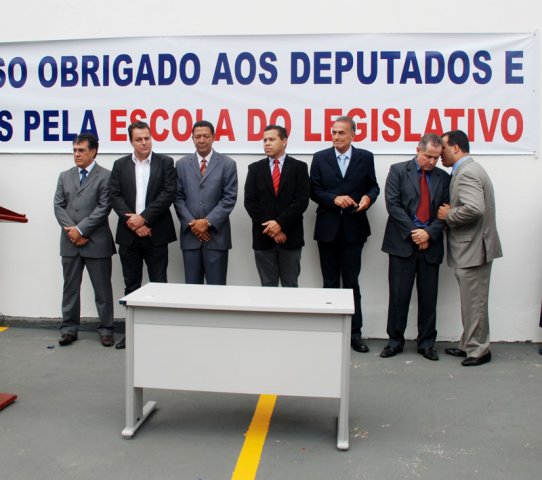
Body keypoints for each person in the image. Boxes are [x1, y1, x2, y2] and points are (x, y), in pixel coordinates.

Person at [310, 116, 380, 352]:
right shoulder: (320, 157)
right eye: (334, 132)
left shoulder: (365, 157)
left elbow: (373, 186)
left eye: (341, 132)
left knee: (351, 283)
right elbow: (314, 190)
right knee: (329, 283)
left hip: (354, 228)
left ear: (353, 134)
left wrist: (368, 198)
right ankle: (329, 334)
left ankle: (354, 334)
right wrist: (334, 199)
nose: (336, 137)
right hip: (327, 229)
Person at [380, 133, 450, 361]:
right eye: (428, 156)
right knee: (398, 296)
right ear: (418, 149)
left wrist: (428, 233)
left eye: (436, 158)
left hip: (430, 245)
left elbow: (445, 211)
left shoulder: (443, 177)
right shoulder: (398, 170)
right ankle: (394, 341)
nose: (432, 161)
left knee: (429, 298)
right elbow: (393, 205)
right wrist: (416, 233)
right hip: (402, 244)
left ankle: (427, 343)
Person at [437, 130, 503, 366]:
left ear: (456, 148)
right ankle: (469, 345)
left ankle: (478, 350)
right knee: (472, 301)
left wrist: (449, 214)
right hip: (474, 247)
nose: (440, 153)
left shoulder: (467, 173)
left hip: (473, 249)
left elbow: (475, 208)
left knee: (474, 302)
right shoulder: (468, 170)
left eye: (443, 148)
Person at [109, 121, 177, 349]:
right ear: (131, 141)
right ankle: (132, 334)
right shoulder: (120, 165)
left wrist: (144, 218)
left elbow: (168, 194)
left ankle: (159, 335)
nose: (144, 143)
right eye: (139, 139)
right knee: (131, 286)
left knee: (159, 285)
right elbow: (115, 196)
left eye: (147, 138)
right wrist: (134, 223)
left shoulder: (165, 163)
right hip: (129, 235)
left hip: (156, 234)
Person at [53, 132, 116, 347]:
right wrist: (72, 231)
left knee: (102, 290)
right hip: (69, 243)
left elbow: (103, 208)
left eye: (81, 150)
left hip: (96, 242)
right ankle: (69, 329)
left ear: (93, 151)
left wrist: (81, 230)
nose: (76, 154)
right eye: (74, 150)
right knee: (70, 288)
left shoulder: (106, 176)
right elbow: (58, 206)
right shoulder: (64, 176)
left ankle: (106, 329)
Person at [244, 125, 310, 287]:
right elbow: (250, 202)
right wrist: (272, 229)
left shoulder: (299, 168)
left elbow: (301, 201)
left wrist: (280, 224)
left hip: (290, 237)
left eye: (272, 139)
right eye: (264, 140)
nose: (267, 143)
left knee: (290, 285)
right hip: (263, 238)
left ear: (284, 141)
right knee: (268, 287)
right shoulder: (255, 168)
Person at [174, 120, 238, 284]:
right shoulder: (181, 165)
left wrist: (207, 222)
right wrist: (193, 224)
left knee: (216, 290)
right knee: (192, 289)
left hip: (216, 238)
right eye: (197, 136)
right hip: (190, 237)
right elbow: (177, 197)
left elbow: (229, 198)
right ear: (192, 138)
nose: (201, 140)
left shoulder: (228, 164)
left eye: (206, 136)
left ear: (213, 137)